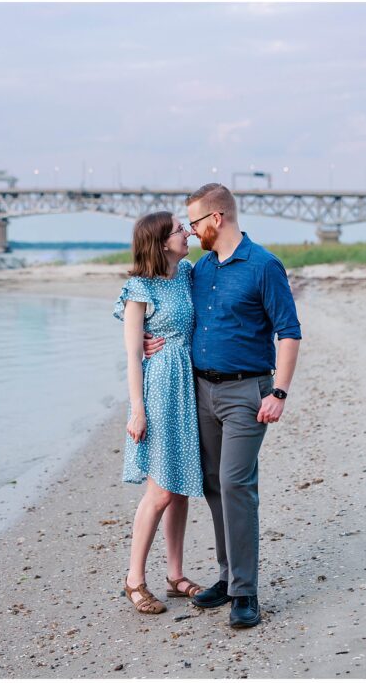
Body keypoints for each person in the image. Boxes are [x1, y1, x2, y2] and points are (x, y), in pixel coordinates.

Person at [144, 183, 301, 628]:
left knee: (236, 482)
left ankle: (246, 592)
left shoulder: (264, 266)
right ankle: (228, 577)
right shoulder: (200, 269)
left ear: (217, 219)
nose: (190, 233)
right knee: (213, 483)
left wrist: (279, 393)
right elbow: (162, 303)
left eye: (194, 222)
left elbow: (288, 332)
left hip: (246, 393)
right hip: (200, 390)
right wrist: (141, 336)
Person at [113, 211, 205, 615]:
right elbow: (133, 354)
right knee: (161, 490)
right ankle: (134, 579)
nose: (186, 233)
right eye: (179, 230)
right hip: (159, 388)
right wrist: (138, 410)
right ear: (160, 241)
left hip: (190, 382)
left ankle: (175, 575)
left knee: (181, 486)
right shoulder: (139, 288)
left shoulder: (187, 273)